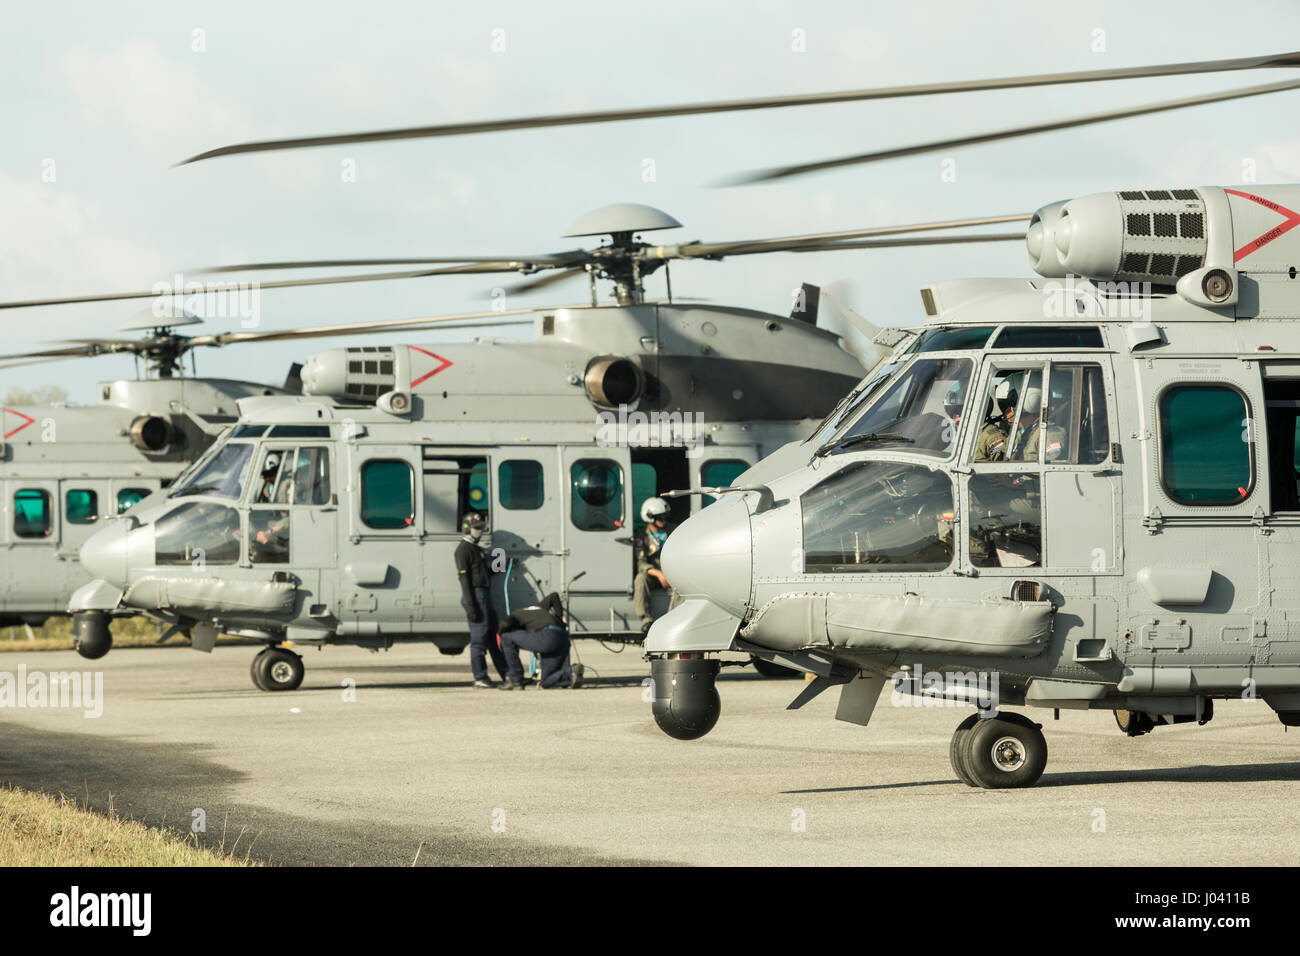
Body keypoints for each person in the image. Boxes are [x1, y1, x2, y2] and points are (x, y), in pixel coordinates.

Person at [455, 512, 507, 688]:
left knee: (492, 636)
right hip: (475, 595)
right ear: (467, 528)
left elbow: (485, 573)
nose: (480, 532)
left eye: (482, 528)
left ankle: (507, 674)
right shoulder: (463, 550)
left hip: (484, 594)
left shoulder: (477, 550)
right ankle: (480, 676)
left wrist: (501, 564)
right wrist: (471, 605)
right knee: (479, 638)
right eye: (477, 528)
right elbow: (464, 579)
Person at [497, 592, 585, 690]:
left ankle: (515, 679)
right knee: (546, 681)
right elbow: (553, 596)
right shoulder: (539, 608)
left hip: (547, 637)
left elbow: (504, 624)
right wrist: (560, 617)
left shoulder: (516, 614)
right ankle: (571, 673)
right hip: (563, 639)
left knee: (506, 638)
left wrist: (499, 637)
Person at [633, 496, 674, 632]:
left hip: (673, 573)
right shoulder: (642, 537)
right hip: (655, 576)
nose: (663, 520)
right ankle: (646, 620)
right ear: (650, 518)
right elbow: (641, 563)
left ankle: (673, 619)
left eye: (665, 517)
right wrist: (660, 575)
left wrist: (670, 575)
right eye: (659, 517)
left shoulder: (674, 532)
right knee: (640, 579)